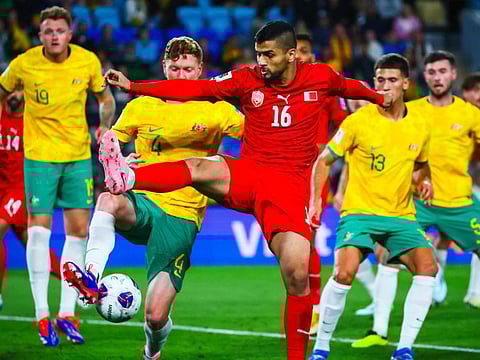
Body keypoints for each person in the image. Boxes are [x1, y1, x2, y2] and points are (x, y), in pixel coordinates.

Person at [98, 21, 392, 360]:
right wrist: (134, 86)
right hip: (249, 174)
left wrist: (376, 96)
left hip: (290, 189)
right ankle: (128, 179)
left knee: (298, 274)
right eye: (258, 55)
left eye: (269, 55)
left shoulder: (321, 77)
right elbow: (195, 90)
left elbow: (349, 86)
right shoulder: (246, 78)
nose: (262, 62)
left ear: (291, 55)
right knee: (200, 165)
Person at [63, 36, 245, 359]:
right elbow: (110, 143)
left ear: (200, 70)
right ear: (164, 67)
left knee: (155, 316)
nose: (181, 75)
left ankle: (151, 352)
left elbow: (256, 134)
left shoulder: (217, 110)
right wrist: (118, 158)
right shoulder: (141, 105)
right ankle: (90, 276)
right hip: (143, 203)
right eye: (174, 68)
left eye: (188, 69)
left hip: (183, 215)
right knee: (107, 200)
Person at [308, 53, 437, 360]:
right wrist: (316, 200)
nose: (385, 87)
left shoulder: (420, 125)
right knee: (343, 273)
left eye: (392, 81)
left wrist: (425, 180)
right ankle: (321, 348)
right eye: (380, 80)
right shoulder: (359, 122)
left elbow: (422, 164)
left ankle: (404, 348)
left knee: (427, 268)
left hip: (400, 216)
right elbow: (323, 161)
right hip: (360, 214)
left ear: (406, 84)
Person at [0, 6, 116, 346]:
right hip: (38, 159)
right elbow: (3, 89)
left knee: (78, 233)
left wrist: (104, 125)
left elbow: (105, 98)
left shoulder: (87, 61)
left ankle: (67, 314)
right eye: (48, 31)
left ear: (69, 33)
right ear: (40, 35)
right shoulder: (24, 63)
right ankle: (41, 316)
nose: (54, 36)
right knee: (38, 231)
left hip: (78, 157)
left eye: (60, 31)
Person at [351, 51, 480, 350]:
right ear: (423, 77)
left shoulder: (470, 114)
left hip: (459, 201)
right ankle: (379, 330)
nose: (436, 77)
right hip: (416, 203)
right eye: (431, 72)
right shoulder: (410, 110)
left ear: (452, 74)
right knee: (388, 256)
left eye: (442, 71)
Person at [295, 33, 347, 335]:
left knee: (309, 242)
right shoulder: (276, 90)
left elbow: (345, 124)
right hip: (284, 173)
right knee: (293, 247)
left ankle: (314, 308)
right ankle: (303, 303)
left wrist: (325, 149)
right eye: (296, 51)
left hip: (314, 176)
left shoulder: (325, 91)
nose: (301, 56)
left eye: (306, 51)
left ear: (312, 56)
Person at [0, 88, 62, 311]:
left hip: (20, 188)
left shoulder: (35, 123)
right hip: (2, 188)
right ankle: (77, 285)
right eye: (11, 90)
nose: (14, 95)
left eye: (19, 90)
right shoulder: (2, 115)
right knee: (37, 249)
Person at [462, 72, 480, 307]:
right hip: (448, 188)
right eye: (473, 90)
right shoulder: (454, 115)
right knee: (439, 241)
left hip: (473, 187)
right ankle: (437, 287)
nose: (477, 96)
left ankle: (475, 292)